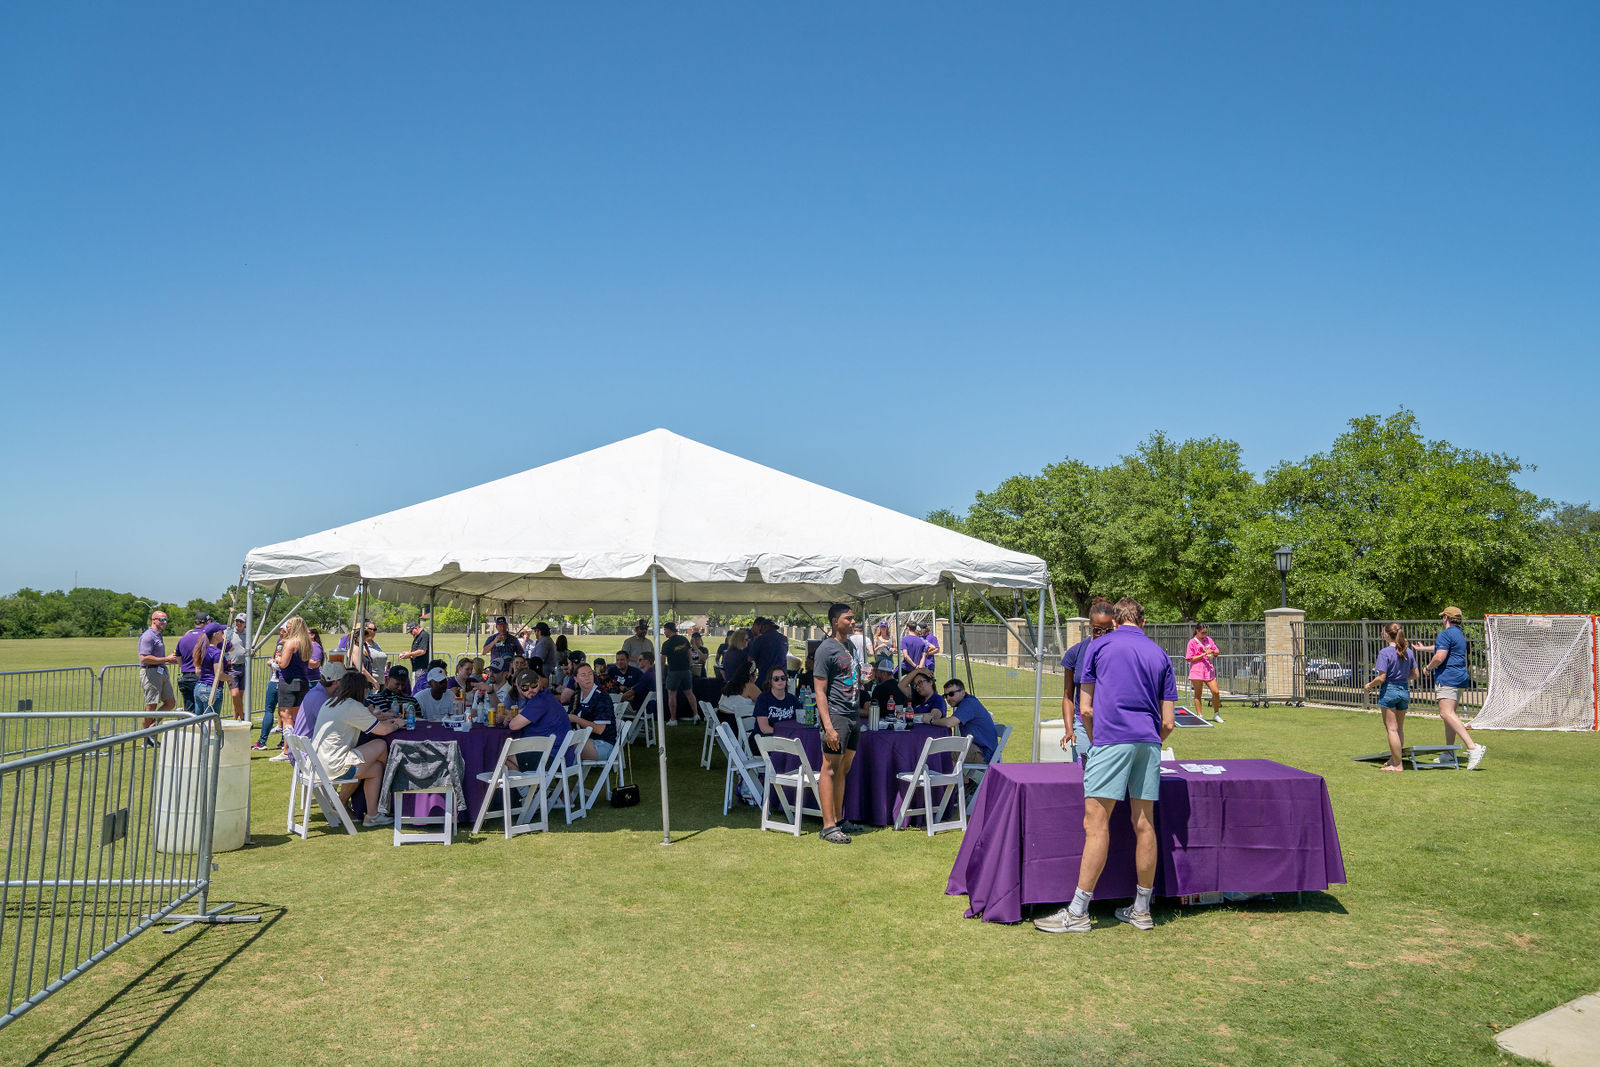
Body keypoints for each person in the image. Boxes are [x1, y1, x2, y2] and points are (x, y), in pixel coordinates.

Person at [1035, 597, 1175, 934]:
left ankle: (1078, 911)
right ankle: (1142, 909)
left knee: (1096, 824)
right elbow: (1168, 722)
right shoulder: (1160, 654)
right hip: (1149, 742)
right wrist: (1148, 739)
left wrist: (1099, 742)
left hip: (1110, 740)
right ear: (1143, 621)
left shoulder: (1098, 647)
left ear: (1114, 620)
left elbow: (1085, 708)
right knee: (1145, 824)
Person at [311, 671, 400, 828]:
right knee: (380, 744)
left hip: (319, 764)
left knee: (376, 768)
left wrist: (379, 718)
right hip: (334, 767)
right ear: (360, 689)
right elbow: (383, 731)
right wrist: (398, 723)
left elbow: (361, 719)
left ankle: (372, 815)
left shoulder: (332, 702)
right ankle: (392, 785)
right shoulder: (353, 706)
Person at [1412, 607, 1487, 770]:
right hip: (1460, 678)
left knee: (1445, 713)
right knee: (1449, 716)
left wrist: (1427, 668)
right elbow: (1442, 647)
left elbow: (1439, 656)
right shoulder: (1458, 634)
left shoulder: (1445, 634)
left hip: (1448, 677)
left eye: (1442, 617)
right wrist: (1423, 648)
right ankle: (1448, 752)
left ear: (1445, 617)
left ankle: (1473, 748)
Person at [813, 603, 863, 844]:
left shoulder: (850, 646)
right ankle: (828, 825)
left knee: (843, 768)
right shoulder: (826, 649)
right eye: (849, 618)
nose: (853, 622)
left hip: (853, 714)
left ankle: (839, 819)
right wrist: (829, 726)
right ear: (835, 621)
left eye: (854, 618)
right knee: (829, 768)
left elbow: (850, 676)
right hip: (837, 715)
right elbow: (819, 691)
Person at [1059, 600, 1116, 764]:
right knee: (1084, 772)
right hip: (1082, 725)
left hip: (1112, 725)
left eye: (1109, 631)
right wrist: (1069, 729)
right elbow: (1068, 696)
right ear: (1090, 626)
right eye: (1098, 630)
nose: (1103, 635)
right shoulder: (1075, 653)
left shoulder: (1120, 653)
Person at [1363, 623, 1419, 772]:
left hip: (1389, 691)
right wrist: (1402, 678)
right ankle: (1394, 759)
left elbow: (1381, 678)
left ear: (1387, 634)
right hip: (1404, 691)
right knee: (1399, 729)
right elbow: (1416, 674)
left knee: (1392, 730)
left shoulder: (1384, 652)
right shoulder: (1409, 652)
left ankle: (1397, 765)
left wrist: (1369, 685)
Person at [919, 679, 999, 764]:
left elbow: (950, 723)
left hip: (984, 753)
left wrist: (931, 721)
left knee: (943, 752)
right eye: (946, 696)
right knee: (944, 750)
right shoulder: (967, 701)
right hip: (980, 749)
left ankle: (953, 777)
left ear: (963, 692)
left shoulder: (968, 703)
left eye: (951, 694)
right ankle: (960, 777)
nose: (948, 698)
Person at [506, 670, 570, 768]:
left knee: (503, 757)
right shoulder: (545, 696)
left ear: (539, 682)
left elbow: (513, 725)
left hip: (553, 758)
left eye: (533, 685)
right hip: (562, 755)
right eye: (525, 687)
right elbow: (524, 712)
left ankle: (527, 783)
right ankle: (532, 783)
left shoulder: (539, 702)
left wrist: (511, 718)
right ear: (518, 688)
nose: (530, 690)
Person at [273, 616, 316, 759]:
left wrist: (276, 660)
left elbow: (283, 664)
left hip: (288, 681)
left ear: (295, 627)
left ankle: (287, 750)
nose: (286, 627)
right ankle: (298, 748)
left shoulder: (291, 643)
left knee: (286, 717)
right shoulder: (307, 643)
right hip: (303, 681)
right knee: (297, 717)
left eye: (289, 625)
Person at [137, 609, 179, 735]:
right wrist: (166, 659)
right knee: (151, 706)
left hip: (161, 671)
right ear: (153, 620)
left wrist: (168, 659)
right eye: (161, 619)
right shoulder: (148, 636)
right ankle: (146, 737)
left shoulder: (158, 634)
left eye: (166, 620)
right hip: (151, 672)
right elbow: (144, 657)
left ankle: (152, 728)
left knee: (170, 703)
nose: (164, 622)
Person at [567, 664, 615, 762]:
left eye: (590, 674)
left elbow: (599, 729)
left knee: (565, 745)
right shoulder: (576, 696)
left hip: (603, 744)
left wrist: (576, 719)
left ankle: (556, 772)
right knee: (559, 739)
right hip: (583, 740)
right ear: (576, 679)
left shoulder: (601, 697)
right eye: (583, 675)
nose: (588, 678)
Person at [253, 625, 287, 752]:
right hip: (285, 682)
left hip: (277, 680)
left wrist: (271, 663)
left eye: (281, 629)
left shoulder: (283, 644)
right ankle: (284, 742)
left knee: (270, 710)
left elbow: (281, 665)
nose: (279, 632)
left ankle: (262, 741)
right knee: (285, 713)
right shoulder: (293, 643)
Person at [751, 666, 800, 750]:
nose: (780, 681)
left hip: (787, 740)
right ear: (770, 682)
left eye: (783, 678)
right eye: (776, 679)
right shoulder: (763, 699)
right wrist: (785, 734)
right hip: (764, 740)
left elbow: (799, 721)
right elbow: (764, 728)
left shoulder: (792, 699)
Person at [1185, 622, 1224, 724]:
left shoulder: (1209, 640)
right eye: (1202, 633)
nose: (1204, 635)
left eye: (1205, 632)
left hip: (1208, 670)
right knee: (1198, 694)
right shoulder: (1192, 642)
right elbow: (1189, 658)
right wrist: (1203, 654)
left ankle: (1216, 714)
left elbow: (1217, 652)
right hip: (1197, 670)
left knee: (1215, 691)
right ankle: (1199, 715)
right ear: (1197, 631)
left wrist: (1212, 651)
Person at [660, 622, 696, 726]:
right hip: (686, 671)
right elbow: (689, 653)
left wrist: (662, 673)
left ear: (669, 630)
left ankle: (673, 719)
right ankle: (696, 715)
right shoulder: (683, 639)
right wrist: (690, 664)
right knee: (689, 693)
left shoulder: (666, 644)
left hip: (674, 672)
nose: (664, 632)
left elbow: (662, 661)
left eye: (665, 630)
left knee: (672, 695)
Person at [174, 612, 210, 715]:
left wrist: (184, 667)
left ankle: (189, 730)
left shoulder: (184, 638)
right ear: (207, 622)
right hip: (202, 677)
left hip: (185, 677)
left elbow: (178, 656)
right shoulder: (206, 637)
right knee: (204, 711)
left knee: (189, 711)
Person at [192, 622, 228, 717]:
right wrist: (230, 678)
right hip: (211, 689)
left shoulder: (202, 650)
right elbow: (219, 675)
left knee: (199, 723)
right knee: (210, 723)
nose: (223, 634)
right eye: (221, 632)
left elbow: (198, 671)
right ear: (215, 634)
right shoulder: (217, 653)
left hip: (199, 687)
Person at [222, 613, 250, 722]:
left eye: (241, 622)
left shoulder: (247, 635)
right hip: (231, 667)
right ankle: (243, 718)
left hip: (243, 667)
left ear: (245, 624)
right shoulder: (228, 633)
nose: (238, 623)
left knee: (239, 697)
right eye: (237, 621)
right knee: (235, 695)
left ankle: (235, 719)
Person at [749, 617, 789, 686]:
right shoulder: (784, 639)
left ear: (765, 627)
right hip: (781, 678)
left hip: (765, 677)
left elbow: (750, 659)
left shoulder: (760, 640)